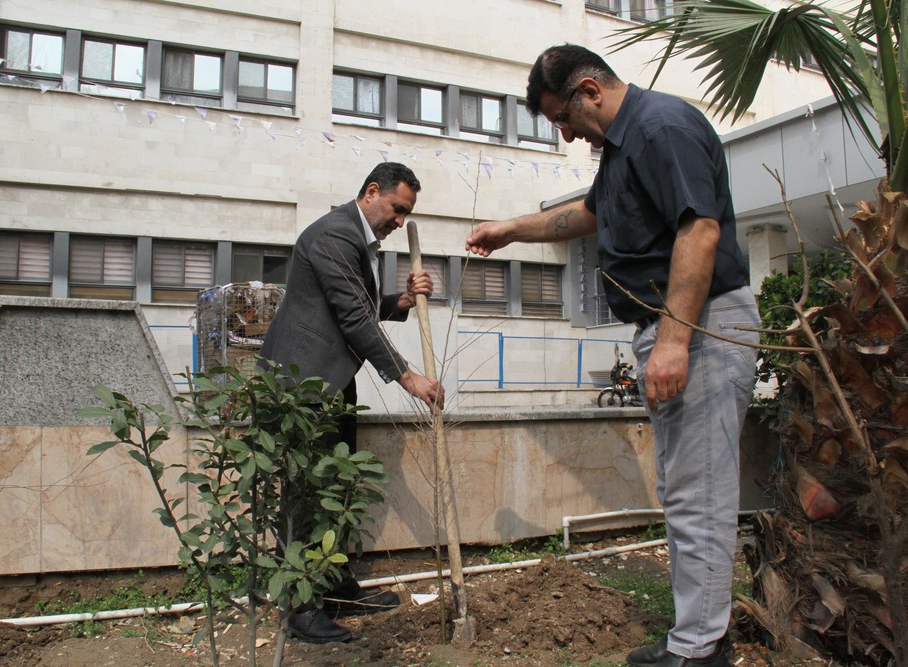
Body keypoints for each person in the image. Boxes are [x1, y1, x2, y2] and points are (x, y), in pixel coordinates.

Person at [465, 45, 759, 667]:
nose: (566, 134)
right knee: (682, 488)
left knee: (698, 491)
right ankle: (698, 633)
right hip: (677, 326)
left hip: (700, 326)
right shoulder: (625, 147)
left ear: (589, 90)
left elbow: (699, 229)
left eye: (562, 119)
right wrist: (511, 229)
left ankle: (701, 649)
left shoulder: (661, 127)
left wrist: (675, 340)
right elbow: (589, 215)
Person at [261, 161, 444, 644]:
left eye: (407, 214)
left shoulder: (353, 240)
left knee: (338, 487)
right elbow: (353, 320)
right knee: (306, 495)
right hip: (302, 387)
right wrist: (408, 376)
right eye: (398, 209)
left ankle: (337, 587)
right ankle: (301, 608)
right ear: (372, 191)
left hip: (331, 381)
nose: (400, 221)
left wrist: (402, 301)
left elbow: (359, 305)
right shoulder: (336, 236)